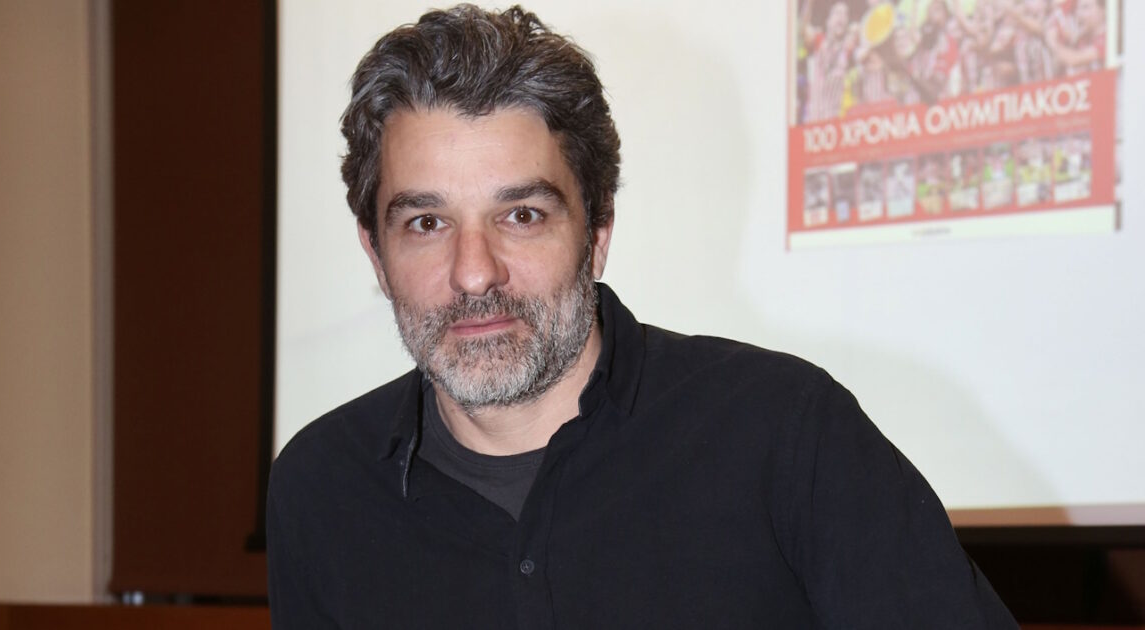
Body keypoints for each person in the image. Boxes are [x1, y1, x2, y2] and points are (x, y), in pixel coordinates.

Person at [266, 5, 1018, 628]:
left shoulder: (786, 431)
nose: (474, 272)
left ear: (597, 233)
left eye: (522, 215)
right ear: (375, 252)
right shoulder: (320, 489)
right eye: (426, 223)